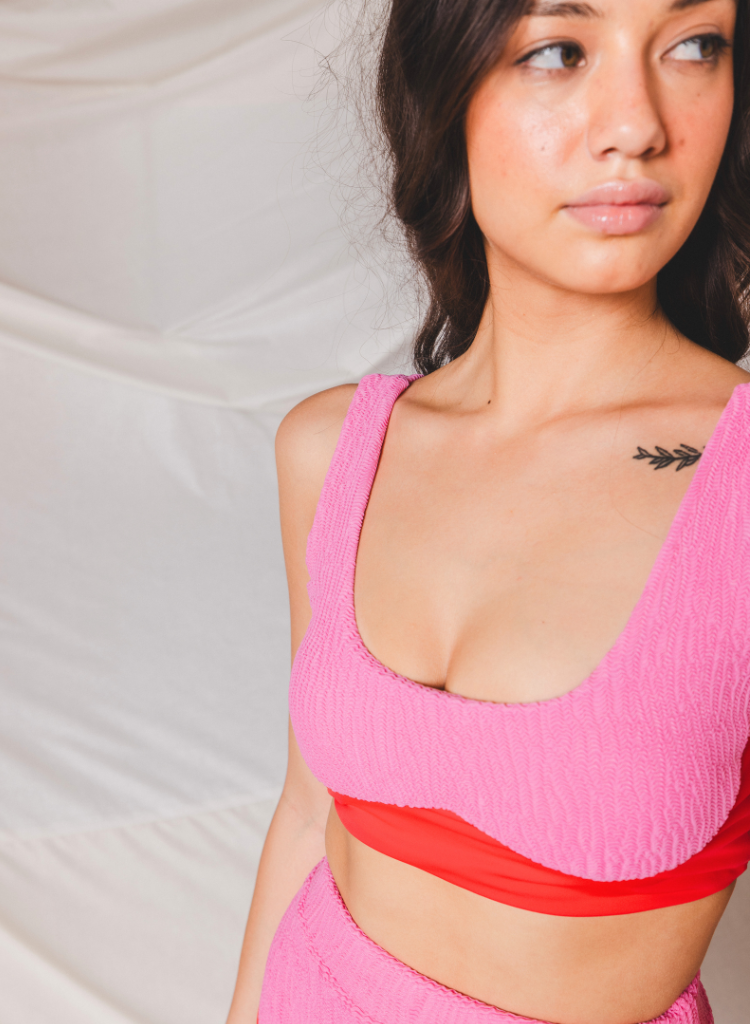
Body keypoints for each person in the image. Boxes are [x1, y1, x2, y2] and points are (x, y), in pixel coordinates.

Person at [227, 0, 750, 1021]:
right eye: (559, 51)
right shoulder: (336, 449)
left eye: (695, 46)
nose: (637, 126)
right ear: (446, 92)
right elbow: (305, 814)